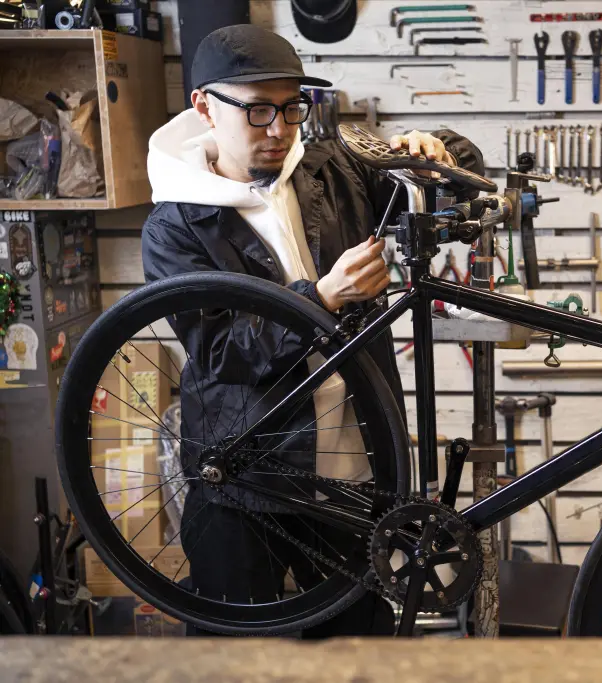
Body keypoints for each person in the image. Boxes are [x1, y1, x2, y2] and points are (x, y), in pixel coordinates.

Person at [140, 24, 484, 637]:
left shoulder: (335, 172)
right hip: (244, 480)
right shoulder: (177, 225)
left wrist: (434, 148)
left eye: (292, 107)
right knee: (236, 659)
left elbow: (449, 188)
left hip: (354, 469)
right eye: (258, 110)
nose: (279, 129)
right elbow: (219, 351)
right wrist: (320, 297)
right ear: (204, 107)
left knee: (360, 646)